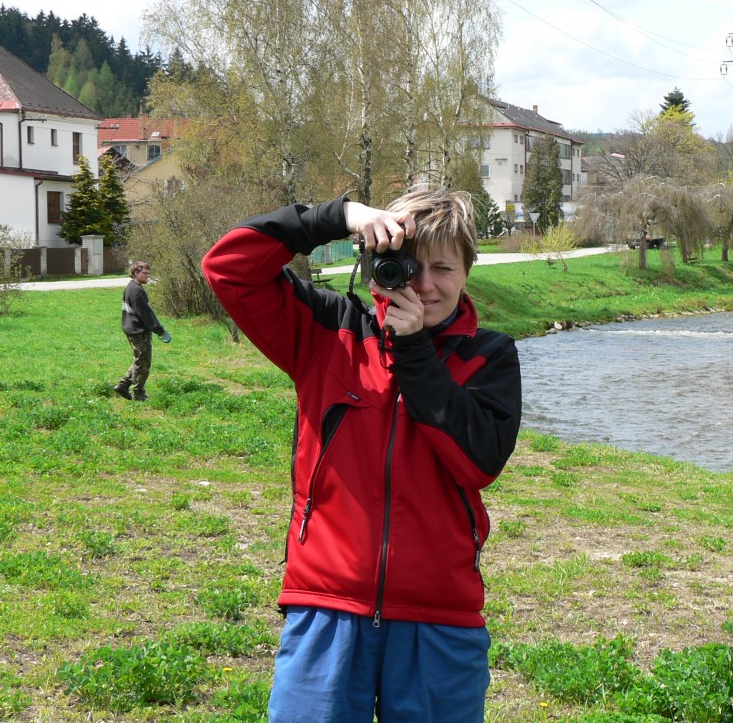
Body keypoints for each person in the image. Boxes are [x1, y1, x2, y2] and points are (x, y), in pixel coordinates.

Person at [202, 189, 522, 723]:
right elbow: (228, 268)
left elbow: (479, 462)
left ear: (468, 271)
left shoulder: (488, 355)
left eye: (443, 268)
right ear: (375, 266)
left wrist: (413, 350)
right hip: (326, 607)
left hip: (439, 617)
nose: (424, 284)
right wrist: (339, 216)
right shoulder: (329, 331)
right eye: (408, 266)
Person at [114, 260, 171, 401]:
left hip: (132, 329)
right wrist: (160, 331)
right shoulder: (136, 290)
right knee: (143, 363)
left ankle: (123, 385)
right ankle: (138, 393)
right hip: (138, 331)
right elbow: (146, 314)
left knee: (140, 359)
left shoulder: (132, 287)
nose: (147, 276)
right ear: (135, 273)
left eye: (148, 273)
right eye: (145, 273)